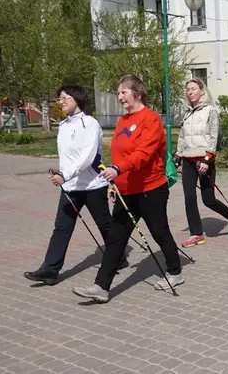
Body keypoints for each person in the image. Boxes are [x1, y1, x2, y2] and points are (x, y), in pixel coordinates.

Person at [72, 75, 183, 303]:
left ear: (137, 93)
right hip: (126, 190)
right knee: (115, 238)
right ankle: (101, 287)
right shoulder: (123, 121)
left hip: (151, 188)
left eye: (124, 92)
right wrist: (115, 182)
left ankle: (174, 272)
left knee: (159, 232)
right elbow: (119, 154)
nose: (119, 96)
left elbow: (143, 154)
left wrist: (117, 168)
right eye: (118, 93)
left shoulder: (150, 120)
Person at [24, 85, 127, 285]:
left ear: (77, 99)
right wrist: (61, 174)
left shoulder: (90, 123)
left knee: (105, 225)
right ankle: (49, 270)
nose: (60, 101)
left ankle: (119, 256)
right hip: (70, 187)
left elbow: (88, 157)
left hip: (92, 186)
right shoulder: (63, 125)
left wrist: (65, 174)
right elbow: (68, 156)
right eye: (59, 98)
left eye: (64, 98)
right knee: (61, 228)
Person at [176, 79, 228, 248]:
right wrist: (178, 153)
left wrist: (207, 158)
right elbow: (182, 135)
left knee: (208, 199)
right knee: (189, 198)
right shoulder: (187, 112)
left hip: (204, 160)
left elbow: (214, 136)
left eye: (193, 89)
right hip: (188, 160)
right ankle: (196, 234)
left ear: (202, 91)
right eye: (188, 89)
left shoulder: (210, 111)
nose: (190, 92)